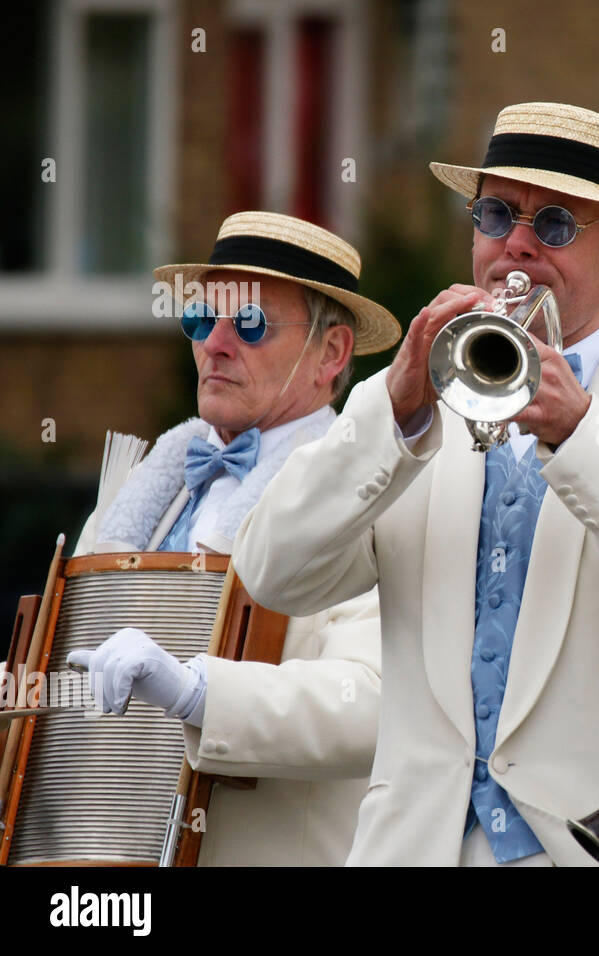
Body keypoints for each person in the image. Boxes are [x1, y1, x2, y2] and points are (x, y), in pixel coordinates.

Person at [233, 102, 599, 866]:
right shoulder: (414, 402)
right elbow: (272, 574)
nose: (516, 245)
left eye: (555, 224)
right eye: (495, 214)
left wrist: (580, 435)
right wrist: (389, 418)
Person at [70, 211, 400, 865]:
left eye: (249, 323)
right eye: (201, 318)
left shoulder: (374, 491)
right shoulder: (136, 487)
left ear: (331, 354)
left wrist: (199, 694)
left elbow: (372, 703)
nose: (215, 343)